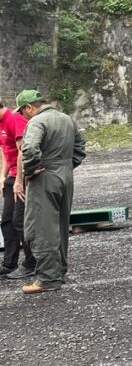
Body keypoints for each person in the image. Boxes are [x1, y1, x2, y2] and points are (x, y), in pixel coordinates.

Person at [15, 89, 85, 294]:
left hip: (44, 177)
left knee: (41, 227)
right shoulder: (66, 119)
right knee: (61, 225)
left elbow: (29, 149)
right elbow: (80, 147)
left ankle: (47, 278)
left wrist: (30, 170)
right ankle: (59, 271)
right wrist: (66, 166)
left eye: (22, 111)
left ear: (29, 107)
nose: (22, 115)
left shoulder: (37, 122)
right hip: (65, 176)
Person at [0, 99, 35, 279]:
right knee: (7, 222)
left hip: (22, 177)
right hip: (11, 176)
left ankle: (31, 263)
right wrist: (2, 176)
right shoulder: (1, 122)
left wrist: (19, 180)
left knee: (20, 221)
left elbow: (23, 151)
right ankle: (9, 264)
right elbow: (6, 151)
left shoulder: (14, 119)